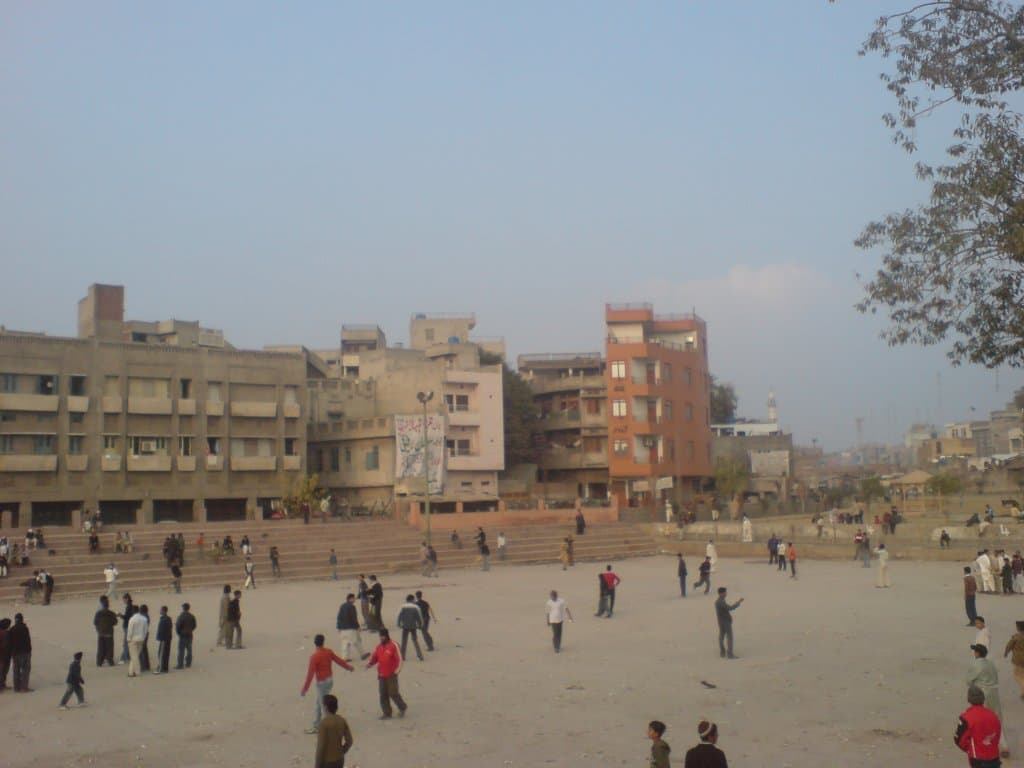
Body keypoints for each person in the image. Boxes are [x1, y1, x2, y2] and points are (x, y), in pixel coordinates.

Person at [300, 634, 354, 734]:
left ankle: (328, 728)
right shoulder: (328, 652)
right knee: (319, 703)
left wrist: (305, 689)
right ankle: (316, 725)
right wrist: (348, 667)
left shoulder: (314, 657)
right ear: (323, 642)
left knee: (322, 705)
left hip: (321, 683)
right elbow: (338, 660)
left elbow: (310, 674)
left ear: (315, 643)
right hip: (329, 680)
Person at [967, 643, 1010, 758]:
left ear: (977, 653)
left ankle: (984, 745)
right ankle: (1004, 746)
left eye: (975, 651)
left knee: (981, 720)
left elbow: (969, 681)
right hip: (994, 693)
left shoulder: (975, 664)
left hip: (982, 695)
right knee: (997, 719)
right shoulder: (991, 664)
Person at [955, 685, 1002, 768]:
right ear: (983, 699)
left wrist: (970, 749)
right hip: (994, 757)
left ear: (969, 699)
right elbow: (997, 735)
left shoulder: (966, 718)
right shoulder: (993, 715)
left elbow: (959, 740)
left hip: (978, 759)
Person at [366, 628, 407, 719]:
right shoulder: (379, 647)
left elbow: (400, 659)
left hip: (391, 674)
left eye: (383, 636)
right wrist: (369, 664)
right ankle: (387, 712)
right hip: (381, 674)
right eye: (380, 636)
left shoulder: (394, 645)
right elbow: (375, 657)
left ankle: (402, 707)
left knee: (393, 693)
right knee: (383, 694)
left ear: (387, 636)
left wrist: (396, 671)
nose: (381, 638)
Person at [314, 693, 354, 768]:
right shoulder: (341, 720)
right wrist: (342, 751)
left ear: (325, 707)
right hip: (340, 759)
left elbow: (321, 747)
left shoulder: (324, 724)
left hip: (327, 761)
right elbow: (350, 741)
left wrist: (317, 765)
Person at [337, 594, 369, 662]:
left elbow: (339, 617)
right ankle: (362, 654)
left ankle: (345, 657)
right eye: (353, 598)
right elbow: (354, 618)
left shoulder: (342, 606)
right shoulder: (352, 607)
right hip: (350, 627)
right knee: (356, 641)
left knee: (345, 643)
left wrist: (338, 627)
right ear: (350, 599)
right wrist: (357, 627)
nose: (354, 600)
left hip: (343, 628)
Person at [715, 587, 743, 659]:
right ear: (721, 593)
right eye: (724, 592)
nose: (726, 594)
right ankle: (729, 654)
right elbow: (730, 608)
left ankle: (722, 652)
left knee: (721, 636)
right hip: (725, 621)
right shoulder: (720, 602)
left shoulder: (719, 601)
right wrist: (738, 602)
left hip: (721, 621)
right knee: (729, 637)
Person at [396, 595, 424, 661]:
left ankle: (402, 656)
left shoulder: (402, 606)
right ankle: (420, 655)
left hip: (405, 626)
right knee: (415, 641)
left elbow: (399, 616)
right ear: (412, 599)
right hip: (413, 626)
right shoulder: (416, 607)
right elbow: (419, 617)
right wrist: (420, 625)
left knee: (404, 641)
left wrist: (398, 624)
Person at [9, 613, 32, 692]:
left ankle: (16, 687)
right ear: (22, 619)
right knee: (25, 670)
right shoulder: (24, 628)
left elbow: (10, 642)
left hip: (15, 653)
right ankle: (24, 687)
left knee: (16, 670)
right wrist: (29, 650)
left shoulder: (12, 629)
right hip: (25, 652)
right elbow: (28, 640)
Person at [93, 595, 117, 667]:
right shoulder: (111, 613)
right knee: (109, 647)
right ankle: (110, 661)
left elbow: (95, 622)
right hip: (109, 632)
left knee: (101, 648)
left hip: (101, 633)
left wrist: (98, 628)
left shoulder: (98, 613)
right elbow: (115, 622)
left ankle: (99, 662)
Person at [126, 604, 149, 678]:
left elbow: (130, 631)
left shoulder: (132, 619)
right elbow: (146, 630)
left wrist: (128, 639)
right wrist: (144, 637)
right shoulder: (144, 619)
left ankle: (136, 671)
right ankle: (131, 671)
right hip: (141, 639)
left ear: (133, 611)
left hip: (133, 639)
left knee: (134, 656)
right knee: (135, 655)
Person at [1003, 620, 1024, 699]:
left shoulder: (1016, 637)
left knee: (1017, 675)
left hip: (1018, 660)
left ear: (1018, 628)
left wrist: (1006, 653)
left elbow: (1009, 645)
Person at [174, 602, 197, 669]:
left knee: (181, 650)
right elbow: (194, 625)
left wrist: (179, 633)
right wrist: (191, 630)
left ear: (183, 608)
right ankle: (188, 663)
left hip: (182, 635)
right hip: (189, 634)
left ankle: (180, 664)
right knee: (189, 650)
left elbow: (178, 626)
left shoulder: (181, 616)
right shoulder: (191, 616)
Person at [118, 593, 138, 664]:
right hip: (127, 626)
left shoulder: (129, 607)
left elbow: (127, 617)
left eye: (124, 599)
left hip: (127, 626)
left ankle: (123, 658)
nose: (123, 601)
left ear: (127, 599)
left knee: (126, 643)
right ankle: (128, 656)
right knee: (127, 642)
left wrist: (120, 615)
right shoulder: (129, 606)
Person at [154, 606, 173, 674]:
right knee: (165, 653)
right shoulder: (168, 619)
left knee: (161, 653)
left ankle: (161, 668)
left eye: (161, 610)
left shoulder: (164, 619)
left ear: (163, 611)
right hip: (167, 638)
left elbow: (162, 630)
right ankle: (165, 667)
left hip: (164, 639)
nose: (160, 611)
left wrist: (159, 638)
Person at [0, 618, 10, 691]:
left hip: (4, 655)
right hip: (4, 655)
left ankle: (3, 685)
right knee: (3, 671)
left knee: (3, 671)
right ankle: (1, 685)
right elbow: (5, 645)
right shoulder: (5, 633)